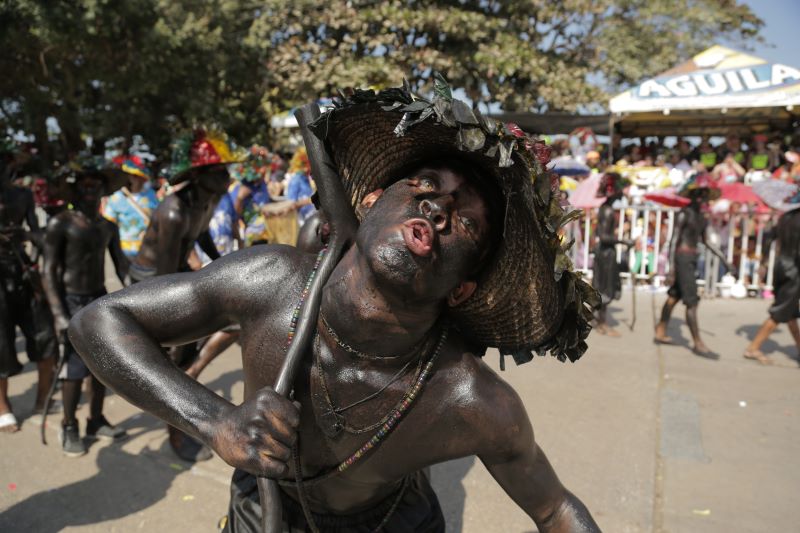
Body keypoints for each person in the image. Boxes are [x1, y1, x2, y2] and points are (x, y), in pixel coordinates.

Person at [69, 82, 601, 532]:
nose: (438, 209)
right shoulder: (271, 282)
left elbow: (553, 508)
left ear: (461, 289)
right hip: (263, 512)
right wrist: (217, 422)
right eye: (423, 187)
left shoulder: (469, 399)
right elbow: (99, 321)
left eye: (466, 223)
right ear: (369, 203)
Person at [129, 127, 245, 462]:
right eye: (220, 172)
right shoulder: (173, 211)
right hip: (153, 279)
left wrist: (221, 265)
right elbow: (164, 283)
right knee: (176, 356)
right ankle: (176, 431)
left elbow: (202, 234)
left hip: (177, 272)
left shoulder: (206, 200)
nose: (227, 177)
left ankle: (183, 372)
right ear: (199, 176)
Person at [42, 156, 129, 456]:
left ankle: (95, 419)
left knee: (101, 367)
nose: (90, 190)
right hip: (70, 301)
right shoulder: (61, 223)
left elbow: (122, 268)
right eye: (85, 184)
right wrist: (58, 314)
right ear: (76, 189)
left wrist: (139, 296)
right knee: (74, 370)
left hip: (99, 299)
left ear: (104, 189)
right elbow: (49, 270)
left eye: (96, 185)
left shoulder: (108, 227)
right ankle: (69, 425)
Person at [0, 141, 58, 433]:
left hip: (22, 272)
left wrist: (24, 235)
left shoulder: (22, 196)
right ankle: (3, 407)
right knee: (0, 345)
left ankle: (42, 398)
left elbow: (39, 236)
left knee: (45, 335)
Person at [654, 173, 735, 359]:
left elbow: (707, 242)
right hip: (682, 259)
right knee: (692, 302)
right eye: (700, 194)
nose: (702, 198)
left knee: (674, 296)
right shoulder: (685, 213)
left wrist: (725, 260)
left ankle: (661, 329)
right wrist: (671, 269)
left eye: (704, 195)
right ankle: (698, 342)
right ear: (694, 195)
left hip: (690, 258)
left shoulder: (701, 216)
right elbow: (674, 240)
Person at [743, 200, 800, 365]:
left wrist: (764, 262)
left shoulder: (785, 218)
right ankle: (753, 348)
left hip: (781, 266)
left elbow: (769, 239)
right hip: (794, 271)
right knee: (780, 312)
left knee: (790, 312)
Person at [592, 173, 633, 336]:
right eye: (621, 191)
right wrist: (624, 242)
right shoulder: (608, 211)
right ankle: (602, 323)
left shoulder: (604, 209)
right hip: (605, 253)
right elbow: (603, 236)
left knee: (602, 286)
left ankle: (597, 319)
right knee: (605, 288)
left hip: (604, 252)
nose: (623, 193)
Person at [102, 156, 159, 259]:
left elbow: (159, 219)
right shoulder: (116, 198)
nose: (130, 179)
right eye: (128, 176)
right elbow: (108, 223)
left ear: (142, 178)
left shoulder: (151, 196)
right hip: (124, 251)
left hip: (148, 248)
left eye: (135, 176)